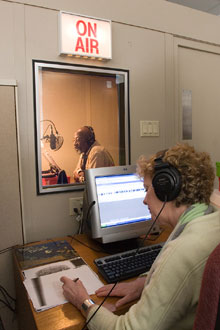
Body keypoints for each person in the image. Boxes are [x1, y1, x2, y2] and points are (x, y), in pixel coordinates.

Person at [60, 143, 220, 330]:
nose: (144, 200)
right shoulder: (209, 217)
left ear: (166, 188)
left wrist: (83, 301)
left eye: (146, 189)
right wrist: (143, 283)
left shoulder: (182, 250)